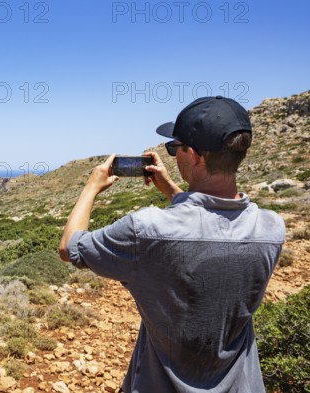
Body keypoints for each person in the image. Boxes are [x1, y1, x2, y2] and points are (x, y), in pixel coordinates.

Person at [58, 96, 285, 392]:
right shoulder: (271, 229)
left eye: (173, 147)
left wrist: (91, 187)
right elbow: (208, 224)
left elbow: (70, 247)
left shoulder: (146, 230)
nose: (173, 154)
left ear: (193, 155)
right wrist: (172, 189)